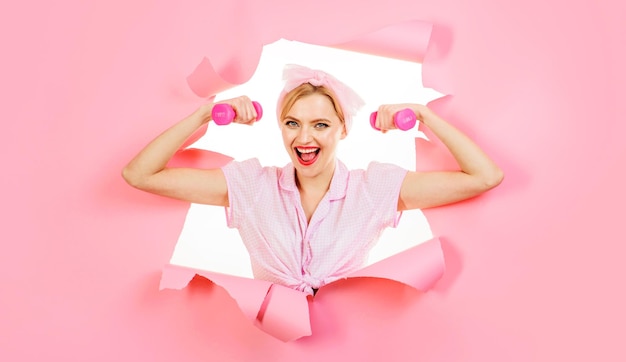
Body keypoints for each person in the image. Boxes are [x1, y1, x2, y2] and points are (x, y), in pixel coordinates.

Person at [122, 64, 503, 295]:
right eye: (292, 124)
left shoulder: (374, 190)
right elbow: (139, 174)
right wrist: (203, 115)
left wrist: (424, 115)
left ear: (342, 129)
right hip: (266, 347)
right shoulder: (251, 186)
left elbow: (484, 176)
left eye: (320, 124)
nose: (304, 139)